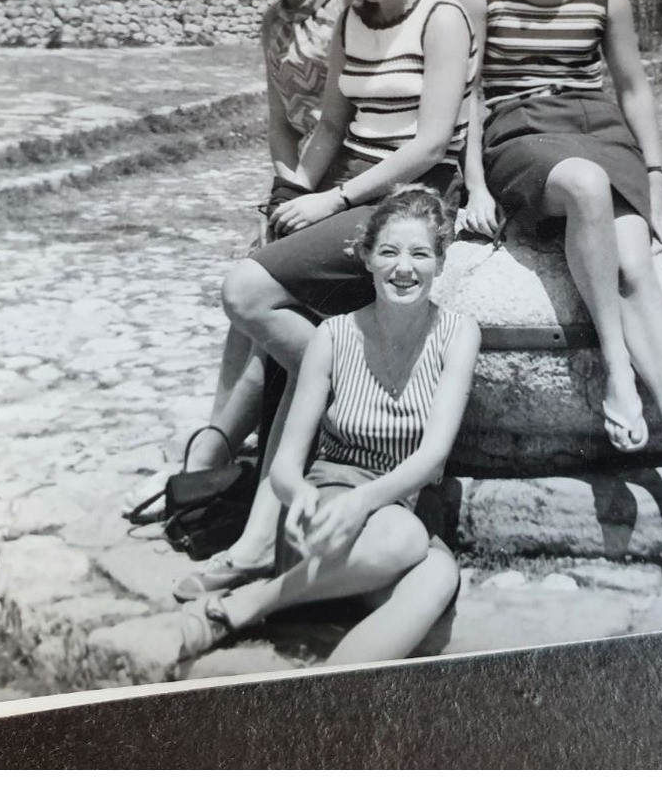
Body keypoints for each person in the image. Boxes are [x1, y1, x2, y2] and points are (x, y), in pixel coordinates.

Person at [172, 0, 475, 593]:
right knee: (276, 318)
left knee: (246, 290)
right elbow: (333, 123)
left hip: (410, 191)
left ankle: (339, 381)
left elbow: (433, 142)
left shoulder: (443, 17)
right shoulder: (352, 17)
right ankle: (252, 546)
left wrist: (333, 197)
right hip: (349, 183)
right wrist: (296, 195)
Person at [457, 0, 662, 517]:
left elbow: (632, 87)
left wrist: (657, 176)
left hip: (601, 130)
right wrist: (477, 185)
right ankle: (618, 374)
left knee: (636, 269)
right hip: (521, 132)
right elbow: (470, 92)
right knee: (585, 186)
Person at [176, 185, 480, 666]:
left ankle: (323, 686)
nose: (405, 268)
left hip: (399, 513)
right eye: (389, 252)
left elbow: (433, 455)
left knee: (438, 576)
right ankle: (259, 604)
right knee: (405, 542)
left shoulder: (458, 334)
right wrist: (300, 499)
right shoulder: (332, 336)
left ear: (440, 262)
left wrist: (367, 503)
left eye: (420, 254)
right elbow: (286, 466)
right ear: (367, 259)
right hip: (330, 510)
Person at [122, 0, 346, 519]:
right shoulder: (273, 23)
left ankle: (212, 455)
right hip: (301, 181)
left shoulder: (351, 3)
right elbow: (280, 121)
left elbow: (343, 118)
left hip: (352, 179)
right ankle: (212, 452)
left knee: (256, 290)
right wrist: (281, 189)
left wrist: (303, 193)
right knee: (247, 299)